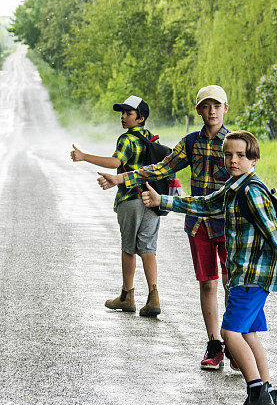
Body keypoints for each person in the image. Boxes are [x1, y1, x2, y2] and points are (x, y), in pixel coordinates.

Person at [141, 130, 277, 405]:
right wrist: (162, 201)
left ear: (253, 159)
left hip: (251, 275)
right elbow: (203, 205)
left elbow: (275, 232)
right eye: (228, 154)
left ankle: (256, 395)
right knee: (249, 334)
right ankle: (269, 395)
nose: (233, 160)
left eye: (240, 155)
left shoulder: (252, 191)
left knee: (229, 334)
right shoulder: (233, 188)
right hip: (247, 274)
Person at [99, 85, 233, 369]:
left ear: (225, 109)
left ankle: (234, 342)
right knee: (208, 284)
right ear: (199, 110)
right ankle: (214, 344)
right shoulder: (191, 143)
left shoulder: (233, 143)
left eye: (217, 106)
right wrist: (121, 179)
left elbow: (246, 177)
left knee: (232, 284)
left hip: (230, 224)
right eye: (206, 106)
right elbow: (160, 168)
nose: (212, 111)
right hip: (199, 225)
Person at [70, 95, 161, 317]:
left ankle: (127, 295)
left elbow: (116, 162)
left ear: (141, 118)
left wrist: (84, 157)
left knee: (128, 248)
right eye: (122, 113)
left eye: (128, 114)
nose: (123, 117)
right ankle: (153, 297)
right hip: (152, 198)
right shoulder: (152, 139)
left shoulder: (127, 139)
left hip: (130, 200)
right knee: (148, 248)